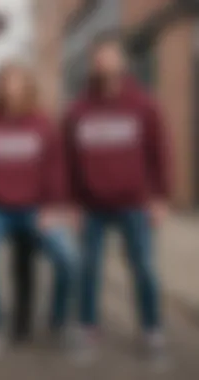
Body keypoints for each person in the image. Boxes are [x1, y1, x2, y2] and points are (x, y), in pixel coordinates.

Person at [62, 32, 170, 365]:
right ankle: (87, 328)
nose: (103, 60)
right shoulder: (77, 109)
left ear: (122, 61)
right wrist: (71, 203)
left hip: (134, 204)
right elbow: (67, 161)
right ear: (92, 62)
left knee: (144, 269)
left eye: (110, 54)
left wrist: (160, 198)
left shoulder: (144, 104)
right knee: (89, 269)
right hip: (91, 206)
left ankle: (151, 330)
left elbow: (159, 153)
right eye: (98, 55)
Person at [0, 62, 76, 359]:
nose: (10, 86)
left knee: (69, 260)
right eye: (4, 81)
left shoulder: (42, 124)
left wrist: (51, 208)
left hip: (36, 209)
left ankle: (58, 322)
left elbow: (56, 167)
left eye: (16, 81)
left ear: (27, 86)